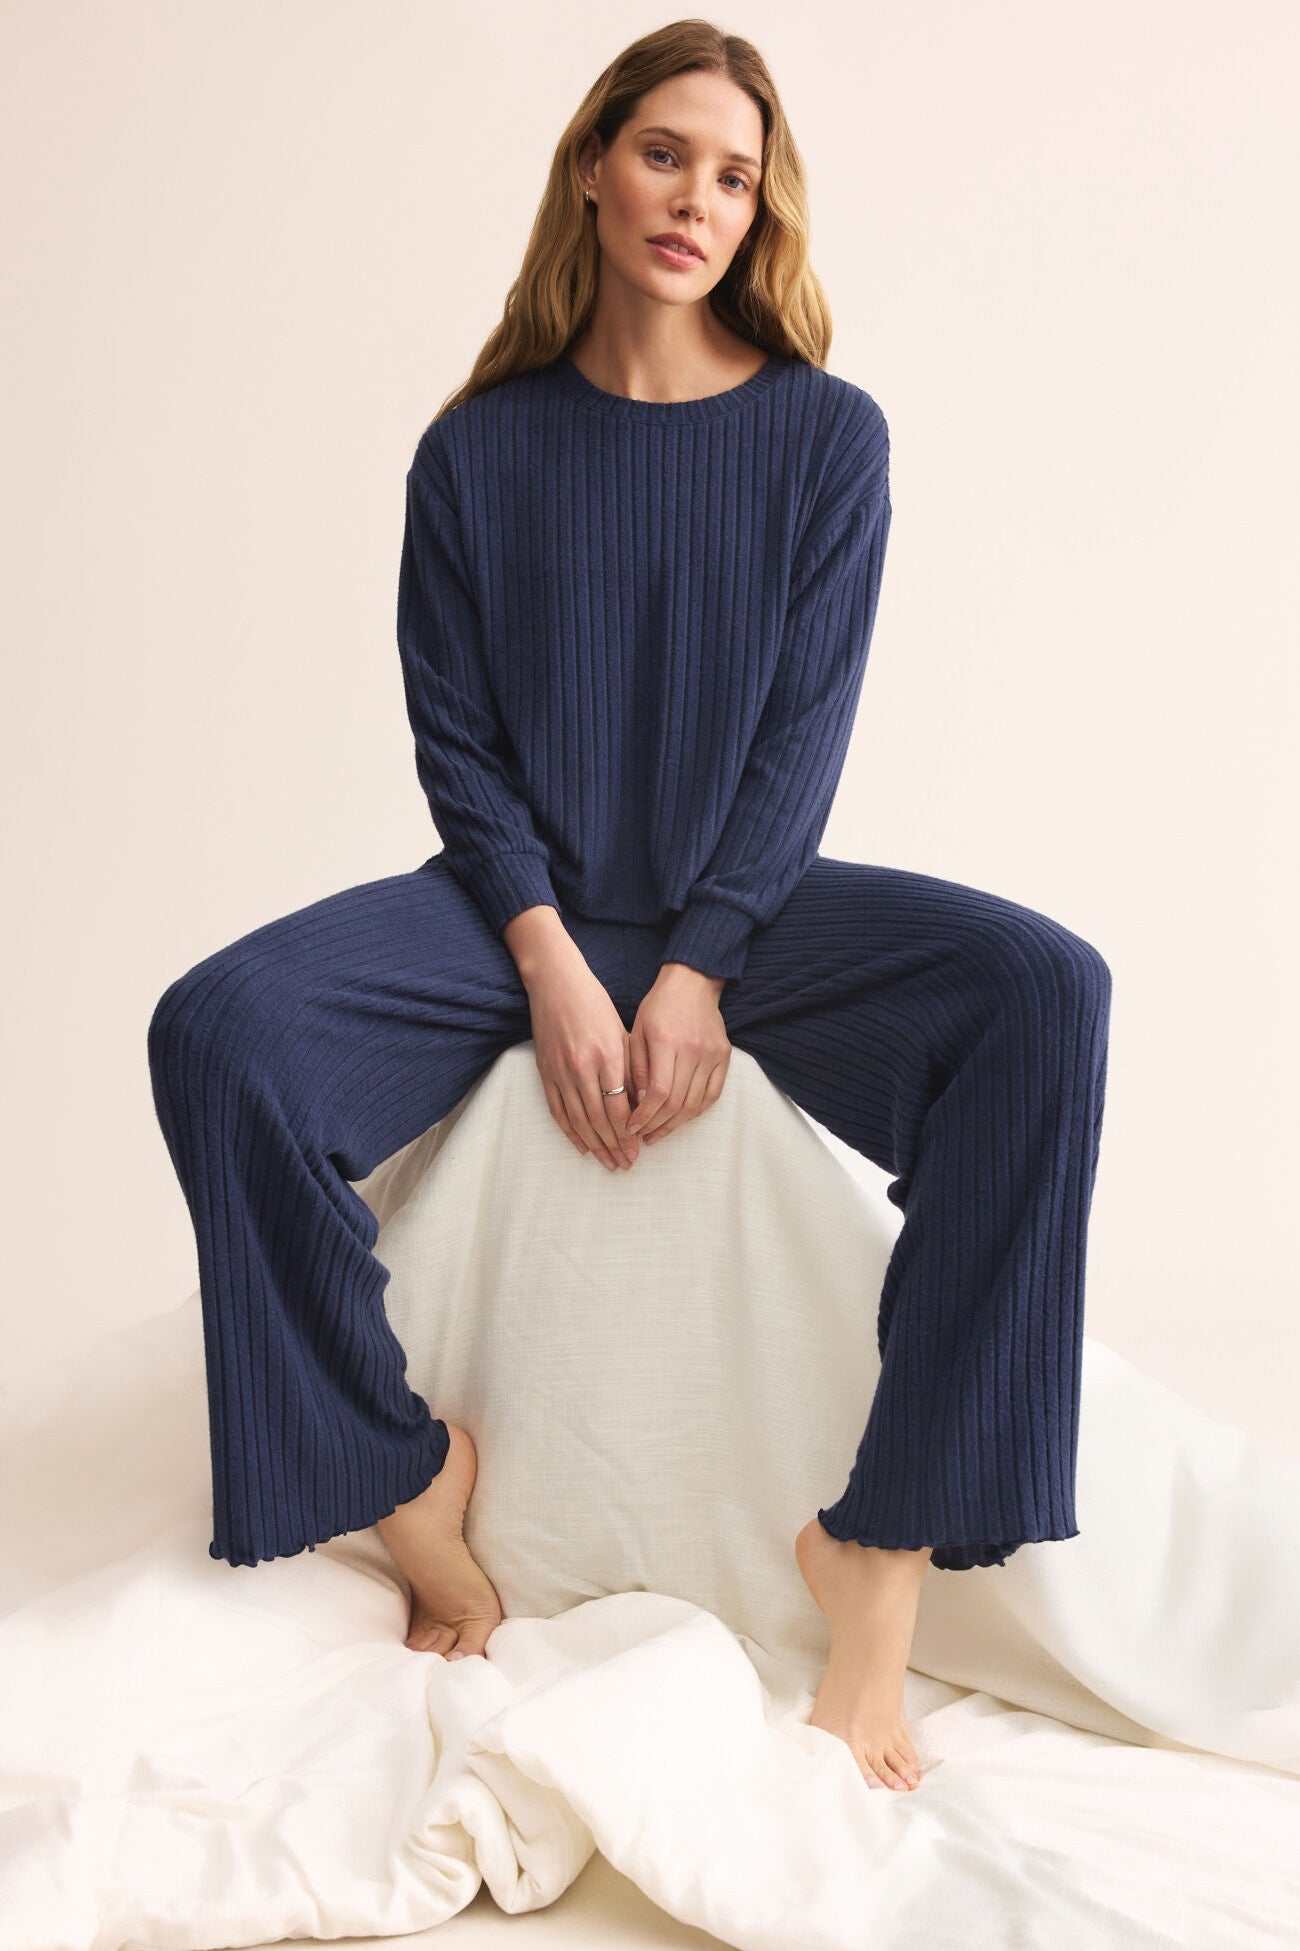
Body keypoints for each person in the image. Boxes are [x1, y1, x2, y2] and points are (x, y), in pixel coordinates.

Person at [146, 22, 1111, 1798]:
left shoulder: (828, 438)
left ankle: (881, 1555)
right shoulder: (476, 453)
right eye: (666, 154)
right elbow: (458, 742)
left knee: (1046, 994)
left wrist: (693, 970)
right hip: (509, 913)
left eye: (736, 174)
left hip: (748, 908)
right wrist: (546, 961)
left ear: (762, 211)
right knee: (219, 1033)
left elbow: (800, 741)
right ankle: (405, 1487)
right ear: (593, 165)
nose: (698, 199)